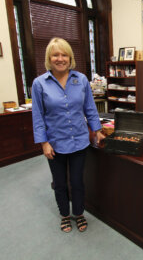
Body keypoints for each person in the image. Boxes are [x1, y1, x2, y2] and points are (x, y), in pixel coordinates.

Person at [32, 37, 105, 233]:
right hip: (54, 143)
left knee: (78, 181)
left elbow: (90, 108)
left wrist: (97, 131)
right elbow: (38, 116)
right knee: (60, 183)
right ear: (49, 58)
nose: (60, 58)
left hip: (79, 141)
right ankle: (65, 215)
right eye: (55, 54)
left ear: (70, 57)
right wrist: (43, 143)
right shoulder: (39, 84)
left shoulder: (80, 79)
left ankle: (78, 213)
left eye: (64, 54)